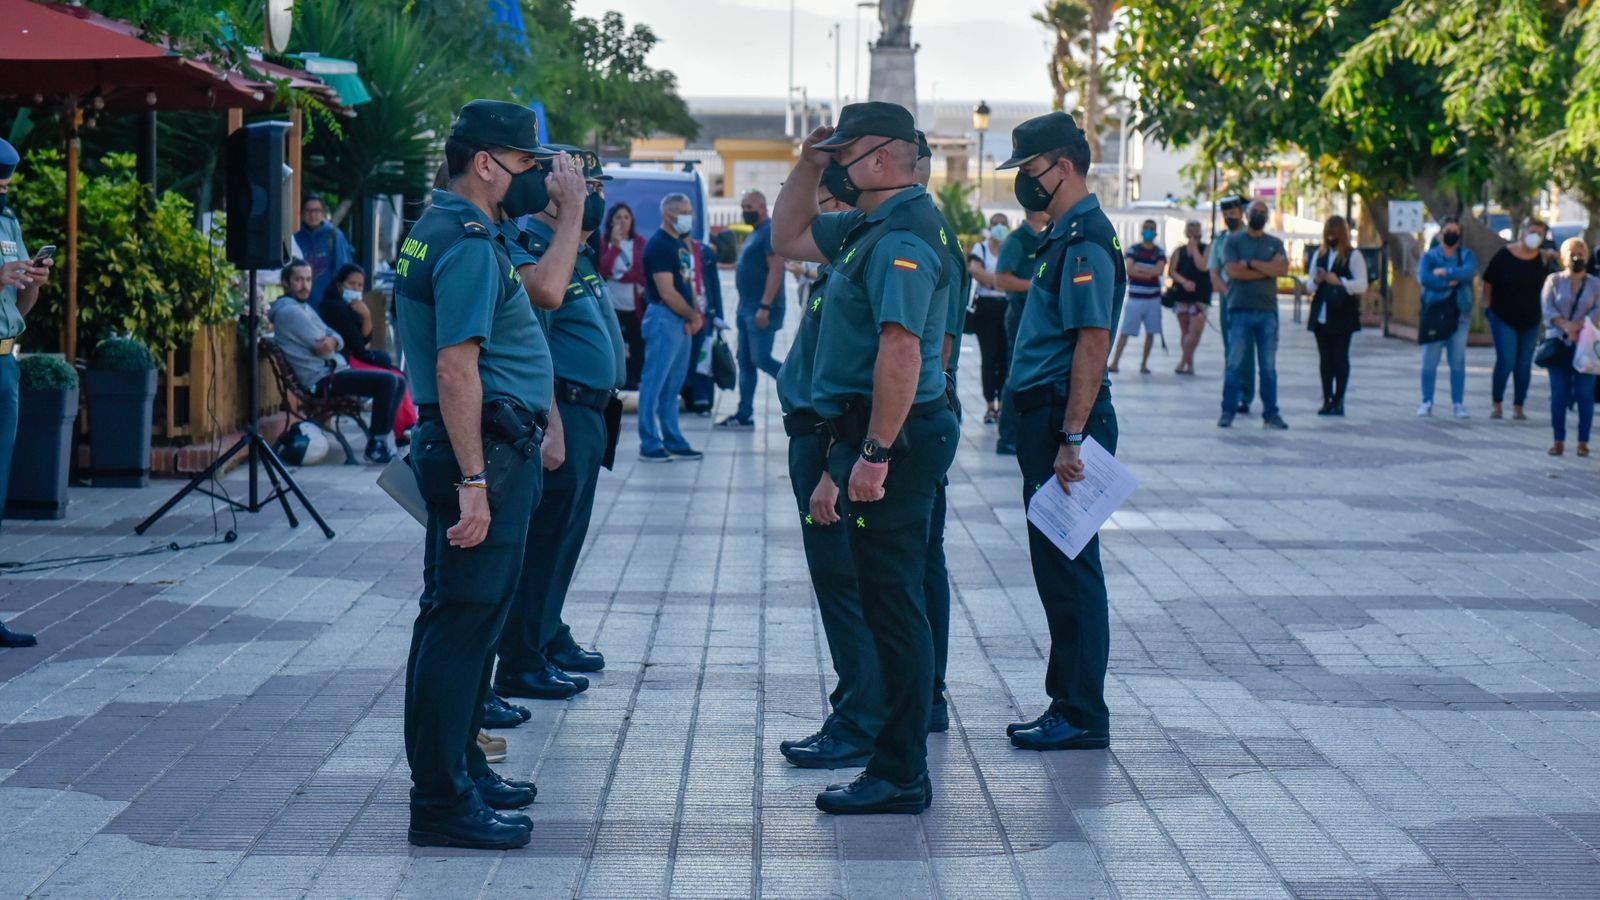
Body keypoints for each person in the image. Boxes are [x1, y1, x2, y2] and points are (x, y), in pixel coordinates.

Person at [771, 101, 960, 815]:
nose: (837, 166)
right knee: (887, 603)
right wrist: (807, 163)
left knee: (893, 607)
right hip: (874, 435)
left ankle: (900, 772)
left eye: (846, 154)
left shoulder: (903, 236)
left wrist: (874, 453)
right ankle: (895, 762)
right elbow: (786, 236)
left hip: (897, 441)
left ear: (881, 158)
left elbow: (902, 350)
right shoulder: (867, 226)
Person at [393, 99, 560, 850]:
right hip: (481, 450)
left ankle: (461, 770)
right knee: (462, 628)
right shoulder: (462, 241)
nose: (534, 178)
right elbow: (456, 368)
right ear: (486, 164)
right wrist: (474, 483)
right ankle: (442, 801)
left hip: (483, 444)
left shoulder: (445, 228)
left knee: (459, 620)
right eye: (526, 164)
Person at [997, 111, 1123, 754]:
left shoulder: (1085, 240)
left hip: (1063, 422)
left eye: (1030, 169)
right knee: (1059, 569)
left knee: (1070, 572)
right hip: (1047, 419)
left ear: (1062, 167)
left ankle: (1080, 711)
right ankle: (1068, 702)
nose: (1025, 181)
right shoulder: (1064, 235)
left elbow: (1093, 341)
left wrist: (1071, 436)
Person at [489, 145, 613, 707]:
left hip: (593, 410)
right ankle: (523, 656)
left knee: (566, 538)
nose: (593, 195)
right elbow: (536, 345)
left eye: (598, 187)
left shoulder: (574, 250)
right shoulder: (537, 249)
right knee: (545, 541)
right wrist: (554, 423)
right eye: (586, 185)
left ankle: (545, 631)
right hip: (565, 408)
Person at [773, 185, 882, 770]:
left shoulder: (853, 269)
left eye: (817, 202)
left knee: (845, 589)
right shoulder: (836, 267)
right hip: (815, 440)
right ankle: (859, 709)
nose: (806, 214)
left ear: (841, 208)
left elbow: (855, 380)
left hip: (826, 443)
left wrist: (833, 472)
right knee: (841, 588)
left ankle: (860, 721)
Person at [269, 259, 406, 463]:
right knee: (388, 381)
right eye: (298, 280)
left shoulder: (304, 308)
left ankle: (380, 440)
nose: (305, 285)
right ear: (285, 283)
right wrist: (333, 342)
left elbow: (335, 338)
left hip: (334, 372)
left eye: (308, 279)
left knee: (398, 381)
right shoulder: (290, 312)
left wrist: (333, 341)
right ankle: (376, 446)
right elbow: (324, 350)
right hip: (321, 380)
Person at [0, 136, 52, 648]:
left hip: (5, 361)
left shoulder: (10, 224)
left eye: (7, 182)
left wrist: (32, 281)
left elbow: (21, 307)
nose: (4, 189)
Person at [636, 193, 705, 462]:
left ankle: (673, 438)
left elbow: (687, 283)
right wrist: (691, 315)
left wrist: (694, 315)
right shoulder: (659, 245)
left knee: (672, 387)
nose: (689, 217)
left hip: (681, 319)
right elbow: (667, 292)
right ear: (667, 215)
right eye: (684, 212)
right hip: (665, 318)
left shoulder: (679, 243)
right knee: (653, 383)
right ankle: (649, 442)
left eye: (690, 211)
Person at [1218, 199, 1289, 429]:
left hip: (1267, 312)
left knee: (1268, 367)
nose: (1258, 214)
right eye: (1254, 211)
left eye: (1262, 211)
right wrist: (1267, 269)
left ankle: (1271, 413)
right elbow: (1233, 272)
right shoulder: (1233, 241)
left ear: (1267, 216)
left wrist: (1249, 264)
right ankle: (1227, 412)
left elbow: (1282, 269)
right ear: (1247, 215)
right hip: (1240, 309)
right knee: (1234, 364)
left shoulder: (1275, 243)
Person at [720, 190, 786, 428]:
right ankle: (744, 413)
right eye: (743, 207)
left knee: (761, 358)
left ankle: (801, 390)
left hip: (761, 308)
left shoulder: (769, 231)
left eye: (749, 207)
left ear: (762, 207)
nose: (745, 211)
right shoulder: (755, 232)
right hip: (746, 307)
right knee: (746, 361)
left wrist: (765, 306)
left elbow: (777, 269)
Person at [995, 209, 1050, 454]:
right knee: (1016, 373)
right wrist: (1037, 285)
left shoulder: (1047, 237)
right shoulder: (1017, 240)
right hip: (1020, 312)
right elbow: (1001, 279)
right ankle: (1007, 437)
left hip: (1038, 315)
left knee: (1034, 373)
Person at [1482, 218, 1549, 420]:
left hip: (1531, 319)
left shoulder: (1543, 259)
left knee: (1524, 364)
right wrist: (1488, 307)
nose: (1535, 236)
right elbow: (1488, 281)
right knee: (1507, 360)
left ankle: (1519, 405)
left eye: (1539, 233)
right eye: (1532, 231)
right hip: (1503, 316)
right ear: (1522, 232)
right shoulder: (1504, 255)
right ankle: (1497, 403)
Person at [1541, 237, 1599, 456]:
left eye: (1580, 254)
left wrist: (1580, 326)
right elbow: (1547, 308)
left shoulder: (1595, 284)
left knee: (1585, 394)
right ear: (1563, 257)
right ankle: (1558, 440)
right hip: (1559, 344)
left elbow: (1598, 310)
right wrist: (1566, 326)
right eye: (1572, 253)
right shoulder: (1554, 281)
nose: (1576, 257)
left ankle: (1583, 442)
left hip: (1585, 346)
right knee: (1559, 393)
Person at [1416, 217, 1477, 419]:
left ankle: (1457, 403)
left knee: (1457, 360)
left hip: (1459, 314)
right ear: (1440, 233)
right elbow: (1424, 277)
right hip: (1435, 313)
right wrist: (1447, 282)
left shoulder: (1466, 255)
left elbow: (1468, 272)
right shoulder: (1430, 256)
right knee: (1429, 361)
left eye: (1455, 231)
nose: (1452, 234)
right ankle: (1426, 401)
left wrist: (1445, 272)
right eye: (1448, 230)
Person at [1305, 215, 1366, 416]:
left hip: (1342, 314)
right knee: (1325, 359)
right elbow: (1309, 285)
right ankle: (1327, 398)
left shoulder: (1353, 255)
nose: (1330, 238)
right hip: (1321, 314)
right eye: (1328, 235)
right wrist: (1318, 280)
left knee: (1340, 358)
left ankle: (1339, 400)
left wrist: (1339, 281)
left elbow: (1362, 284)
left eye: (1334, 235)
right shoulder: (1320, 254)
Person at [967, 213, 1014, 423]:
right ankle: (989, 405)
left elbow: (1019, 274)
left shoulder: (1012, 248)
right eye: (996, 223)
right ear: (990, 226)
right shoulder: (981, 248)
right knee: (988, 357)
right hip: (986, 308)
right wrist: (1001, 282)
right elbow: (975, 270)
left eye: (1003, 223)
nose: (999, 227)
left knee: (1005, 357)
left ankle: (1003, 404)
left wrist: (993, 281)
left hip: (1006, 307)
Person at [1210, 196, 1254, 412]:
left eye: (1232, 213)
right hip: (1228, 297)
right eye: (1226, 214)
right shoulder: (1220, 240)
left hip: (1249, 298)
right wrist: (1229, 294)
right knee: (1230, 349)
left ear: (1241, 212)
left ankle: (1246, 394)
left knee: (1246, 350)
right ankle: (1233, 395)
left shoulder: (1251, 237)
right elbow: (1214, 272)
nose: (1229, 217)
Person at [600, 203, 647, 389]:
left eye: (626, 217)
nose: (622, 221)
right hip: (613, 304)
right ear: (611, 221)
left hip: (635, 305)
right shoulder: (605, 242)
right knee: (615, 344)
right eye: (618, 217)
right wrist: (615, 247)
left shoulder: (639, 242)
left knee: (637, 344)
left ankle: (636, 379)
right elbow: (603, 270)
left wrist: (620, 276)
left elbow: (642, 273)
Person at [1109, 219, 1165, 374]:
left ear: (1155, 232)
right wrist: (1149, 272)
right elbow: (1130, 270)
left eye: (1151, 228)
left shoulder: (1159, 252)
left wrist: (1140, 270)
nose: (1149, 231)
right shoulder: (1133, 249)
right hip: (1135, 298)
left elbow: (1159, 271)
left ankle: (1144, 364)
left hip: (1153, 299)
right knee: (1125, 331)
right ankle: (1115, 362)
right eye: (1146, 227)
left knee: (1151, 332)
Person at [316, 263, 391, 367]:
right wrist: (366, 315)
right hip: (340, 359)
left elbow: (366, 339)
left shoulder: (353, 306)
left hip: (351, 355)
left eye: (360, 285)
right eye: (351, 284)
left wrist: (366, 316)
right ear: (339, 286)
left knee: (384, 358)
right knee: (384, 361)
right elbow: (358, 346)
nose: (356, 288)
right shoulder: (334, 307)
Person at [1166, 219, 1209, 375]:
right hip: (1182, 296)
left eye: (1196, 231)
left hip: (1200, 297)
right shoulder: (1179, 250)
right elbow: (1171, 271)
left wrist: (1194, 249)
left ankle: (1183, 361)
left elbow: (1203, 266)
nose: (1193, 234)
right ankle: (1189, 365)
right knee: (1185, 332)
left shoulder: (1206, 248)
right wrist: (1184, 282)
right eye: (1191, 230)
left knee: (1195, 332)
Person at [295, 195, 355, 302]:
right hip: (301, 299)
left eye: (316, 211)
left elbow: (343, 269)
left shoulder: (334, 235)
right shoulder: (296, 236)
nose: (312, 215)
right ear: (302, 213)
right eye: (308, 210)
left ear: (323, 213)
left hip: (328, 300)